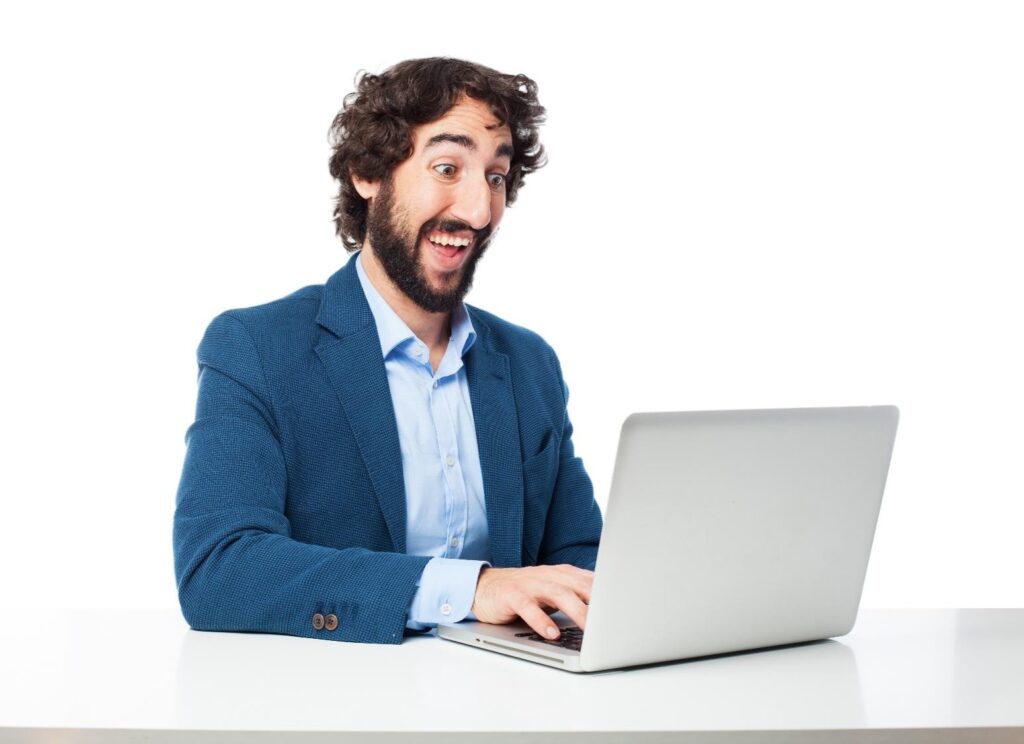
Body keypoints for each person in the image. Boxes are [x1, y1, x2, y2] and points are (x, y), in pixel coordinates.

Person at [173, 57, 603, 645]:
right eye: (448, 167)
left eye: (496, 177)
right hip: (336, 708)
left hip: (510, 705)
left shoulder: (529, 365)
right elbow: (220, 571)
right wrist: (469, 588)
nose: (478, 211)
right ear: (368, 173)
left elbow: (579, 557)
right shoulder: (256, 349)